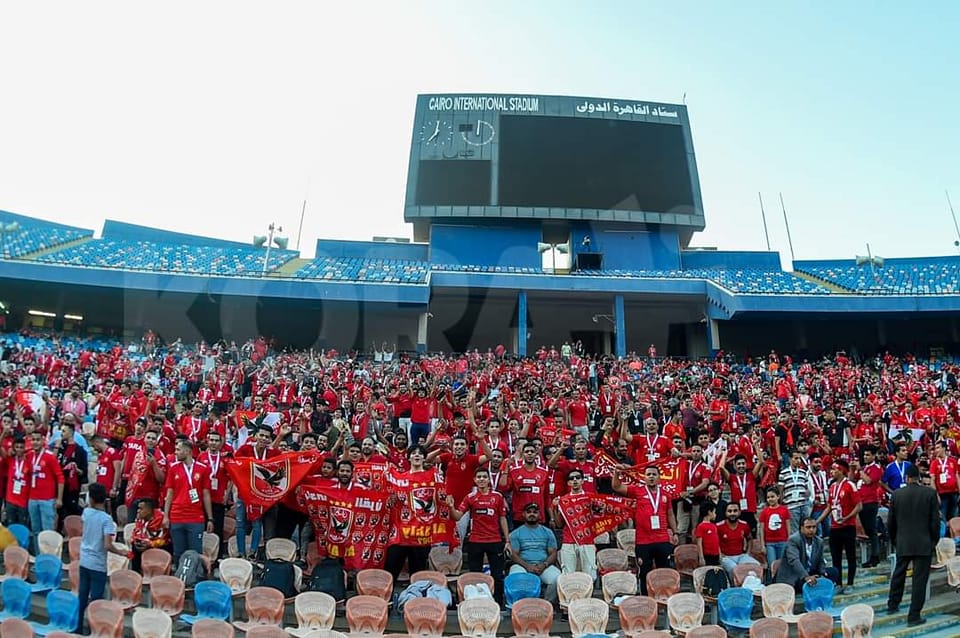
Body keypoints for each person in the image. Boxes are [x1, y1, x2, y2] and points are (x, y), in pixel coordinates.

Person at [886, 464, 940, 627]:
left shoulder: (896, 495)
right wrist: (933, 541)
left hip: (903, 541)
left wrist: (895, 539)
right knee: (919, 580)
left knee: (899, 574)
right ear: (919, 478)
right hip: (924, 542)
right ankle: (914, 615)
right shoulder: (930, 493)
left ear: (906, 478)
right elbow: (935, 522)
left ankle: (892, 605)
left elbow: (890, 522)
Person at [613, 465, 678, 596]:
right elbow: (617, 487)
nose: (651, 477)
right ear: (644, 477)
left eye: (654, 474)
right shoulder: (638, 491)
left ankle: (662, 599)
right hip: (643, 541)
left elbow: (670, 514)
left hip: (662, 539)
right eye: (648, 474)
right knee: (644, 573)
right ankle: (645, 599)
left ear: (659, 477)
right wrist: (616, 473)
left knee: (663, 573)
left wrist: (675, 532)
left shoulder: (665, 494)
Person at [448, 468, 509, 604]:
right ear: (475, 480)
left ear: (488, 480)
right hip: (475, 541)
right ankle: (475, 602)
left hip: (495, 540)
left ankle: (498, 603)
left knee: (497, 575)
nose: (481, 479)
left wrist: (507, 540)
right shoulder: (470, 497)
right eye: (479, 477)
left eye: (484, 477)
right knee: (475, 576)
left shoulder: (497, 496)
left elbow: (503, 518)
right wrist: (451, 507)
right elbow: (457, 517)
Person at [77, 483, 128, 634]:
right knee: (96, 600)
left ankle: (78, 627)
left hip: (84, 560)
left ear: (91, 498)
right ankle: (95, 629)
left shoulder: (86, 513)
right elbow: (107, 544)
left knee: (82, 596)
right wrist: (120, 552)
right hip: (97, 564)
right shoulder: (106, 520)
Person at [162, 438, 214, 565]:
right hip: (176, 516)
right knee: (178, 552)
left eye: (178, 450)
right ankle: (179, 580)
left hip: (195, 518)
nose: (176, 452)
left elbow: (206, 494)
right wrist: (166, 516)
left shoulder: (203, 469)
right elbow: (170, 493)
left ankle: (194, 579)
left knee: (195, 553)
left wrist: (210, 518)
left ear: (187, 451)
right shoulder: (173, 468)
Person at [817, 460, 861, 594]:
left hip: (848, 526)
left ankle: (850, 583)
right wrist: (817, 521)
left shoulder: (850, 485)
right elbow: (830, 507)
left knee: (850, 555)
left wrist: (847, 517)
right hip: (835, 526)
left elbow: (859, 505)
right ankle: (838, 583)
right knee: (835, 557)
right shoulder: (832, 487)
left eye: (834, 470)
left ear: (841, 471)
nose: (831, 472)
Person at [508, 502, 560, 603]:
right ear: (523, 514)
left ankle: (546, 603)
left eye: (535, 512)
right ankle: (522, 604)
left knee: (557, 578)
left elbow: (553, 553)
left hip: (543, 565)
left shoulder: (547, 532)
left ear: (539, 515)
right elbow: (513, 554)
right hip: (522, 565)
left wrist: (544, 565)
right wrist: (527, 566)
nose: (532, 514)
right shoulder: (516, 533)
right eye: (529, 512)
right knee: (516, 578)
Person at [552, 470, 598, 580]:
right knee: (568, 575)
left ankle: (588, 597)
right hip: (568, 541)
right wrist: (555, 508)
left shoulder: (591, 498)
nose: (575, 480)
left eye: (577, 477)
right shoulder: (563, 500)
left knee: (590, 575)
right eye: (571, 478)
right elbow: (559, 524)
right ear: (568, 483)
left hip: (587, 540)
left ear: (583, 480)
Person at [774, 517, 840, 592]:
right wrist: (806, 577)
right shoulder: (794, 540)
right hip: (795, 576)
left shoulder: (819, 541)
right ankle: (815, 586)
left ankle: (816, 585)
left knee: (833, 571)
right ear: (802, 528)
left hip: (810, 572)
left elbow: (820, 560)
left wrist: (822, 573)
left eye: (814, 527)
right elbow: (794, 561)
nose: (811, 530)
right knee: (804, 583)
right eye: (808, 527)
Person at [717, 502, 761, 580]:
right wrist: (720, 555)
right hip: (726, 557)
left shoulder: (744, 525)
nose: (732, 513)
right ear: (726, 513)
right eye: (729, 511)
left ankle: (753, 586)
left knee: (756, 565)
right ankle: (734, 587)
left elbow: (749, 539)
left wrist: (748, 552)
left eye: (735, 511)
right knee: (734, 569)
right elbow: (715, 542)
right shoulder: (719, 526)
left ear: (739, 512)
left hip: (741, 556)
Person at [129, 498, 171, 573]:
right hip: (147, 543)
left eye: (141, 509)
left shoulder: (161, 519)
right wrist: (137, 541)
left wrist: (150, 544)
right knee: (135, 546)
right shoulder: (140, 518)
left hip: (162, 545)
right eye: (138, 508)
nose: (138, 511)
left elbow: (165, 539)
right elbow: (136, 532)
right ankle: (136, 573)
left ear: (149, 510)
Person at [757, 487, 791, 566]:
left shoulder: (784, 510)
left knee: (782, 564)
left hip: (782, 541)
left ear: (778, 497)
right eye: (768, 497)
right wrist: (762, 545)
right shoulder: (764, 512)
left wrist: (789, 541)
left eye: (772, 497)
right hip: (769, 543)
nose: (770, 499)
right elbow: (761, 529)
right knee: (772, 564)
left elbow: (788, 526)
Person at [695, 501, 720, 566]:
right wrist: (701, 558)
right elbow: (699, 543)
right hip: (707, 556)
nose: (715, 514)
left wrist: (719, 554)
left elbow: (717, 542)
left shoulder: (714, 526)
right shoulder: (701, 526)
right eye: (714, 512)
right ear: (709, 512)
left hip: (716, 555)